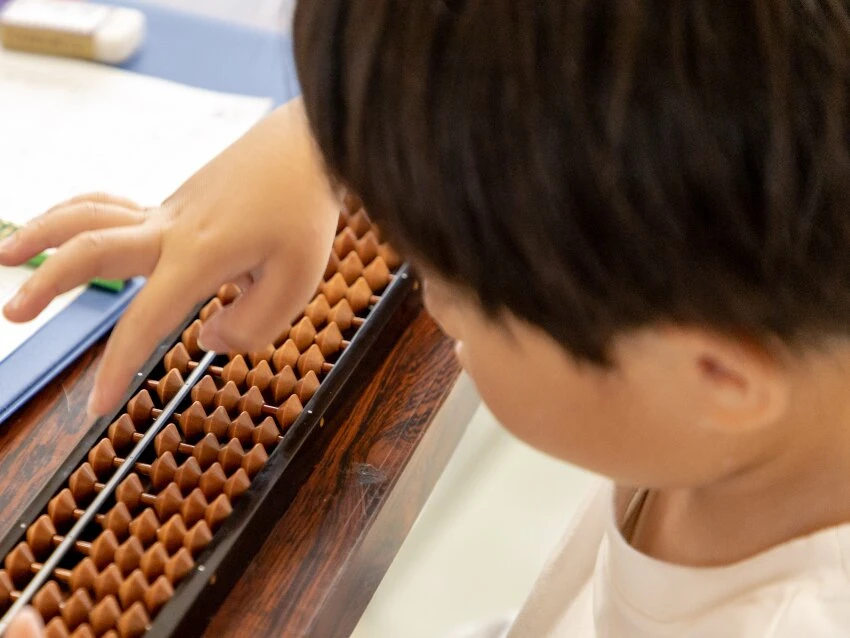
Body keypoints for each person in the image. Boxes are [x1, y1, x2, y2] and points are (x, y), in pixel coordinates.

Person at [4, 0, 850, 635]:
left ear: (720, 378)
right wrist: (328, 140)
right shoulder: (746, 352)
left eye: (458, 287)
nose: (428, 296)